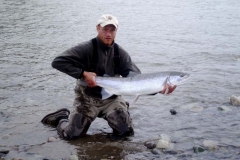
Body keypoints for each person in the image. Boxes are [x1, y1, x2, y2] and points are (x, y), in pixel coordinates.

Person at [41, 14, 176, 140]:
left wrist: (159, 89)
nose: (108, 34)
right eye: (105, 29)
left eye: (112, 30)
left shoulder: (120, 53)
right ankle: (61, 118)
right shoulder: (85, 49)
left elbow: (138, 82)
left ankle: (122, 109)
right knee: (71, 136)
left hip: (111, 98)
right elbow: (58, 62)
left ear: (116, 31)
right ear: (97, 28)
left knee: (126, 133)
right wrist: (83, 73)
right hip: (87, 97)